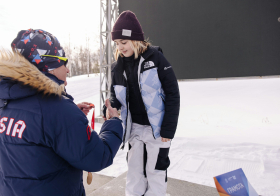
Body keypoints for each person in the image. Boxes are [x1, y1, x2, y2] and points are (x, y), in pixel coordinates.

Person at [0, 29, 122, 196]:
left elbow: (33, 130)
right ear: (48, 66)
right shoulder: (57, 110)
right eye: (64, 61)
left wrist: (69, 117)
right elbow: (98, 157)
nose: (67, 70)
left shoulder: (5, 101)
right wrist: (113, 122)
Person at [102, 11, 180, 196]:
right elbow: (116, 96)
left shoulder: (156, 59)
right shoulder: (117, 67)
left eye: (124, 42)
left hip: (158, 129)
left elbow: (173, 94)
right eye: (117, 43)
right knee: (134, 171)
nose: (120, 47)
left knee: (156, 171)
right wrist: (111, 107)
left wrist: (168, 129)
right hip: (134, 128)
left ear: (136, 40)